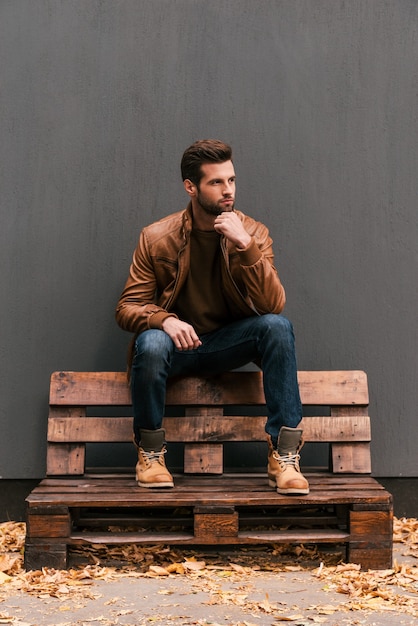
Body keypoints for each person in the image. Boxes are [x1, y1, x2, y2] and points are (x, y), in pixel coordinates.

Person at [115, 139, 309, 496]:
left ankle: (283, 457)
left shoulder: (253, 233)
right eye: (216, 182)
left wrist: (245, 246)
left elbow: (273, 304)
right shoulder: (157, 237)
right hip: (174, 349)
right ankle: (151, 455)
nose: (228, 190)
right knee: (152, 341)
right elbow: (127, 307)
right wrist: (165, 320)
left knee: (278, 328)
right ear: (191, 187)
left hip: (227, 343)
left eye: (231, 180)